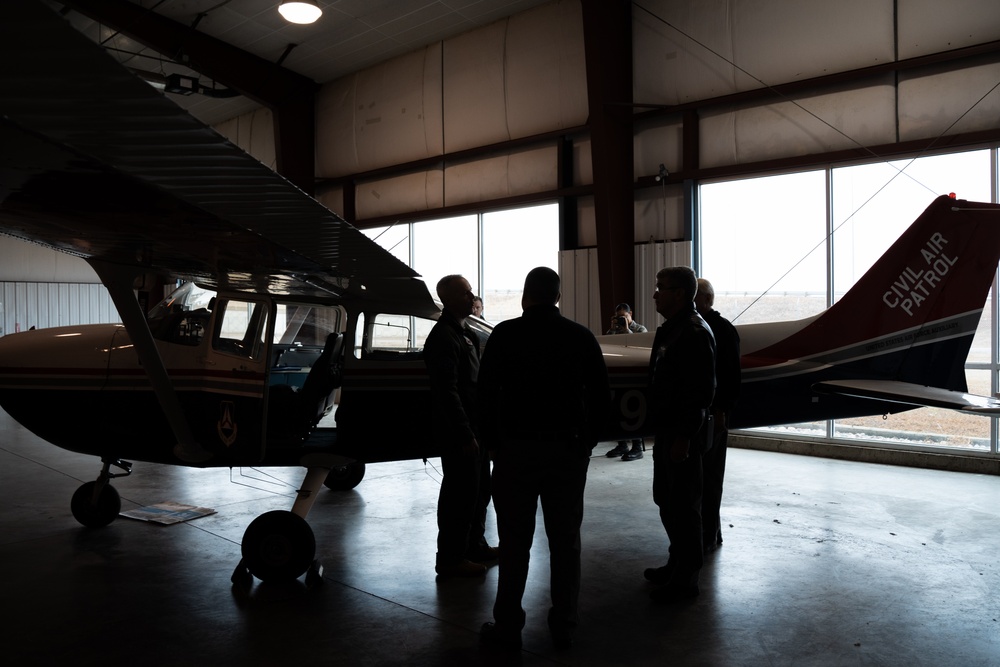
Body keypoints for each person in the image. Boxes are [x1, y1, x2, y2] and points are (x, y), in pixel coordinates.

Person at [478, 267, 610, 650]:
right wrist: (586, 442)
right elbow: (602, 397)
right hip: (566, 452)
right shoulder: (580, 337)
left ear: (525, 295)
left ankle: (507, 625)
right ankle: (564, 623)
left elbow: (484, 395)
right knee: (565, 541)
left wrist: (491, 443)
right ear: (557, 296)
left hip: (515, 452)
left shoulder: (504, 335)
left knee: (514, 542)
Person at [643, 266, 716, 602]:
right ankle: (677, 564)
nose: (655, 293)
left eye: (662, 287)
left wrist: (685, 437)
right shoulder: (672, 330)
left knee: (685, 507)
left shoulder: (694, 332)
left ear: (680, 294)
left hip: (682, 437)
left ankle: (686, 579)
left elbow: (700, 392)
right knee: (667, 501)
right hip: (668, 432)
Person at [424, 274, 497, 578]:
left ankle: (473, 545)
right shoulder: (444, 336)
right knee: (459, 495)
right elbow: (447, 391)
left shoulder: (462, 332)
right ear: (449, 298)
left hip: (474, 428)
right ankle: (451, 559)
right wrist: (464, 432)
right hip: (460, 433)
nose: (472, 297)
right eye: (465, 293)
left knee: (479, 491)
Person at [695, 278, 741, 553]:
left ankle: (709, 534)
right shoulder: (713, 328)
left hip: (713, 416)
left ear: (705, 300)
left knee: (709, 479)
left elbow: (730, 377)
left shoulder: (720, 330)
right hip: (711, 414)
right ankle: (711, 532)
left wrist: (722, 411)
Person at [603, 303, 648, 461]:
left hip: (637, 379)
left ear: (631, 314)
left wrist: (626, 330)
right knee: (616, 408)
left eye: (624, 316)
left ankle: (637, 447)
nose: (622, 320)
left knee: (633, 409)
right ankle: (622, 444)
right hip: (618, 378)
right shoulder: (613, 330)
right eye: (618, 317)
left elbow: (641, 349)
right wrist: (613, 329)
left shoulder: (640, 330)